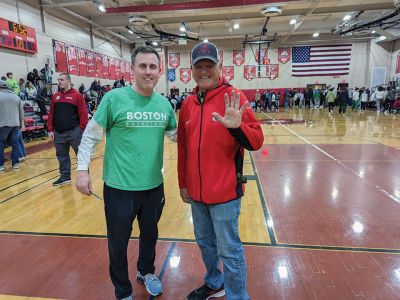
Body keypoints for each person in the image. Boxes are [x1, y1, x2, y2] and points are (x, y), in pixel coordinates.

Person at [75, 46, 177, 300]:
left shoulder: (164, 104)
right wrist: (81, 171)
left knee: (150, 235)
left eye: (153, 67)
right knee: (118, 243)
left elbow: (178, 136)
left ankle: (146, 271)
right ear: (132, 69)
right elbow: (89, 137)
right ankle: (122, 291)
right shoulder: (113, 99)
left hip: (153, 186)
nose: (148, 71)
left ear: (159, 71)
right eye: (142, 66)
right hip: (119, 188)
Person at [177, 42, 264, 300]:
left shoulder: (234, 97)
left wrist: (237, 127)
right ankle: (214, 282)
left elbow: (257, 141)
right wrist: (183, 183)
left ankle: (237, 296)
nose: (204, 71)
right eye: (199, 66)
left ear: (219, 67)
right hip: (196, 194)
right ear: (192, 70)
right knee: (205, 244)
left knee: (230, 250)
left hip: (226, 193)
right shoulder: (188, 104)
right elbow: (183, 148)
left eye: (209, 66)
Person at [48, 73, 88, 186]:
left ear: (68, 81)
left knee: (80, 155)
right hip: (58, 133)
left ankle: (84, 177)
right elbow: (51, 113)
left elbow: (83, 113)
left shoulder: (77, 96)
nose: (59, 81)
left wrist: (81, 129)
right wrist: (50, 129)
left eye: (62, 79)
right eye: (58, 79)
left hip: (74, 132)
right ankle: (65, 177)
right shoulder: (55, 96)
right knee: (61, 156)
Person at [0, 80, 24, 171]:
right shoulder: (16, 97)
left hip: (3, 124)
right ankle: (15, 164)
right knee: (15, 143)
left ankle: (1, 165)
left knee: (0, 145)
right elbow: (21, 113)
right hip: (16, 125)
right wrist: (21, 124)